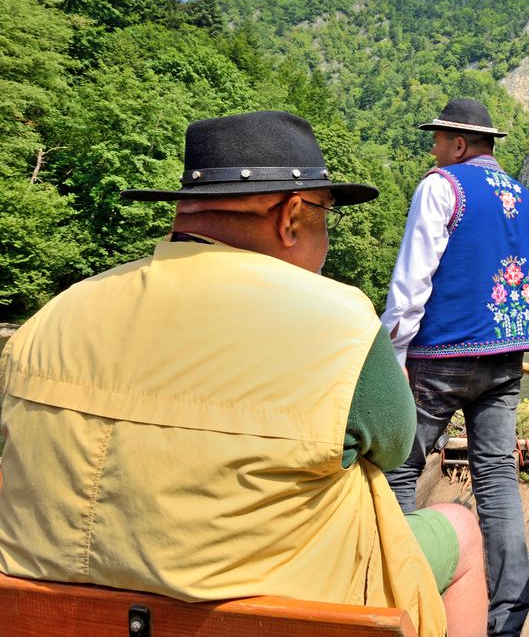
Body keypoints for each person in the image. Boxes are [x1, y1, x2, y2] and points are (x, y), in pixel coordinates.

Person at [0, 110, 486, 637]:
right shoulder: (339, 322)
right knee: (460, 528)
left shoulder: (52, 316)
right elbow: (393, 448)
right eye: (326, 215)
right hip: (283, 616)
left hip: (52, 619)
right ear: (292, 216)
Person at [382, 98, 529, 637]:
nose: (433, 150)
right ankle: (509, 616)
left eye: (437, 140)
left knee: (400, 470)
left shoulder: (442, 186)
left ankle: (405, 602)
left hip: (440, 359)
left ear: (458, 145)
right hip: (506, 360)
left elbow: (412, 284)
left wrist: (395, 358)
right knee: (498, 475)